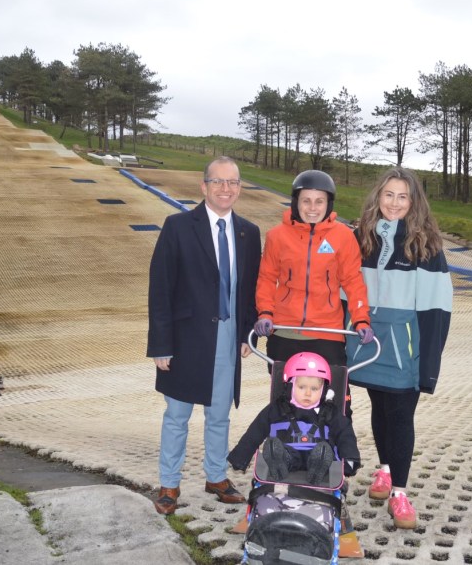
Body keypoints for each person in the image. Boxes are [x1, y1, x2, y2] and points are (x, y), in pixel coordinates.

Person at [147, 156, 261, 515]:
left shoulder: (249, 233)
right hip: (185, 339)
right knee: (177, 415)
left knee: (219, 414)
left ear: (239, 188)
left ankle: (216, 477)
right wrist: (161, 344)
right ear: (204, 186)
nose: (226, 189)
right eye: (218, 182)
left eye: (232, 182)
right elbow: (160, 288)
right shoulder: (178, 226)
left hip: (228, 336)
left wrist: (247, 333)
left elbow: (251, 290)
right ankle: (169, 483)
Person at [345, 167, 452, 529]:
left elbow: (437, 309)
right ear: (378, 197)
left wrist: (429, 363)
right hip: (369, 345)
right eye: (388, 195)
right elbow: (344, 291)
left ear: (414, 201)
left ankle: (400, 494)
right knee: (380, 408)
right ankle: (386, 470)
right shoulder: (360, 238)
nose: (394, 203)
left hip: (407, 349)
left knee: (402, 415)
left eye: (402, 196)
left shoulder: (427, 246)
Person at [253, 170, 374, 414]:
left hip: (327, 333)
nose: (312, 208)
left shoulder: (343, 236)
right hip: (285, 331)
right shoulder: (277, 236)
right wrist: (265, 313)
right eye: (306, 200)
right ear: (295, 202)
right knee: (285, 401)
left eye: (319, 201)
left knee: (334, 402)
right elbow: (266, 278)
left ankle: (337, 438)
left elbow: (353, 281)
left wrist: (361, 319)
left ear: (329, 204)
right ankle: (284, 437)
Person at [227, 352, 360, 485]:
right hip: (288, 453)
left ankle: (317, 469)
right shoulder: (277, 408)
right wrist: (240, 457)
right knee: (275, 449)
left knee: (324, 451)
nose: (308, 393)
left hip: (318, 454)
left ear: (323, 390)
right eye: (301, 387)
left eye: (314, 389)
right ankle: (279, 465)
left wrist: (350, 459)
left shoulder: (330, 411)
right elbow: (256, 431)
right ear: (290, 385)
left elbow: (345, 434)